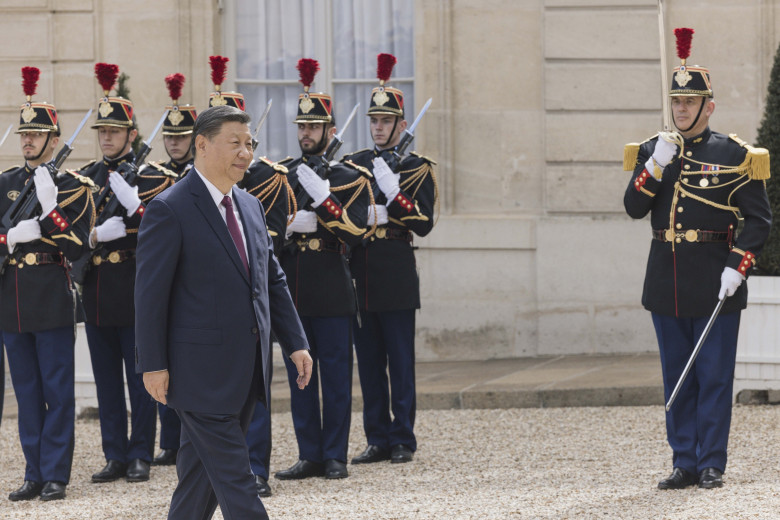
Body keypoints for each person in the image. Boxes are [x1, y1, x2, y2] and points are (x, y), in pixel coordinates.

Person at [135, 105, 312, 520]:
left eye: (249, 144)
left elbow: (272, 281)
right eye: (235, 143)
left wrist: (296, 341)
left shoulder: (250, 206)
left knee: (198, 484)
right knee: (238, 483)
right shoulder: (170, 208)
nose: (245, 153)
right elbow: (149, 295)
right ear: (202, 144)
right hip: (196, 375)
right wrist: (153, 364)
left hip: (246, 369)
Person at [623, 28, 772, 490]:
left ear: (709, 106)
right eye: (676, 102)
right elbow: (633, 207)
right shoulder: (655, 150)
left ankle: (711, 462)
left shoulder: (734, 155)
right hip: (666, 279)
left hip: (715, 281)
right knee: (678, 378)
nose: (681, 109)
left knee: (712, 377)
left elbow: (760, 220)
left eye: (690, 103)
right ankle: (683, 461)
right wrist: (654, 166)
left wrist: (738, 263)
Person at [76, 63, 176, 485]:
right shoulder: (84, 179)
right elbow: (71, 232)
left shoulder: (152, 177)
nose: (107, 137)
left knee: (140, 380)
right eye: (102, 131)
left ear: (132, 134)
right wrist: (95, 236)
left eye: (115, 131)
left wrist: (135, 207)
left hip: (135, 289)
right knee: (106, 382)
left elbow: (164, 228)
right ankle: (114, 454)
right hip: (99, 290)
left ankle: (140, 453)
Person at [274, 58, 372, 481]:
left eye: (314, 127)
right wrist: (286, 226)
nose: (306, 134)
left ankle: (335, 454)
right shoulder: (283, 176)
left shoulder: (349, 176)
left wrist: (325, 206)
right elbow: (265, 229)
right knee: (300, 374)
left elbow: (357, 233)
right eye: (301, 127)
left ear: (330, 131)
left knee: (334, 374)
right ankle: (309, 453)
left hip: (331, 284)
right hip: (295, 287)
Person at [2, 67, 95, 501]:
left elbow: (78, 248)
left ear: (54, 141)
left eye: (37, 135)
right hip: (12, 302)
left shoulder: (73, 187)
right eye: (24, 134)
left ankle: (56, 474)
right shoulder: (3, 185)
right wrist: (9, 238)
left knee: (57, 392)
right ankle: (34, 473)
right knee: (26, 393)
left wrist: (50, 209)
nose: (28, 141)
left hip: (52, 298)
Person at [341, 54, 438, 465]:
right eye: (374, 121)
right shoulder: (354, 164)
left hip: (396, 273)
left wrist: (392, 196)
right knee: (368, 363)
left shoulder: (416, 168)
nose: (379, 128)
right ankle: (376, 437)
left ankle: (403, 438)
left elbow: (423, 222)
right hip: (361, 273)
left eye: (386, 121)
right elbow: (344, 213)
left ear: (402, 125)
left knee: (399, 362)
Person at [149, 73, 198, 467]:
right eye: (170, 136)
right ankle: (170, 442)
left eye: (181, 136)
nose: (175, 142)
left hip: (197, 286)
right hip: (167, 283)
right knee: (164, 360)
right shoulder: (150, 178)